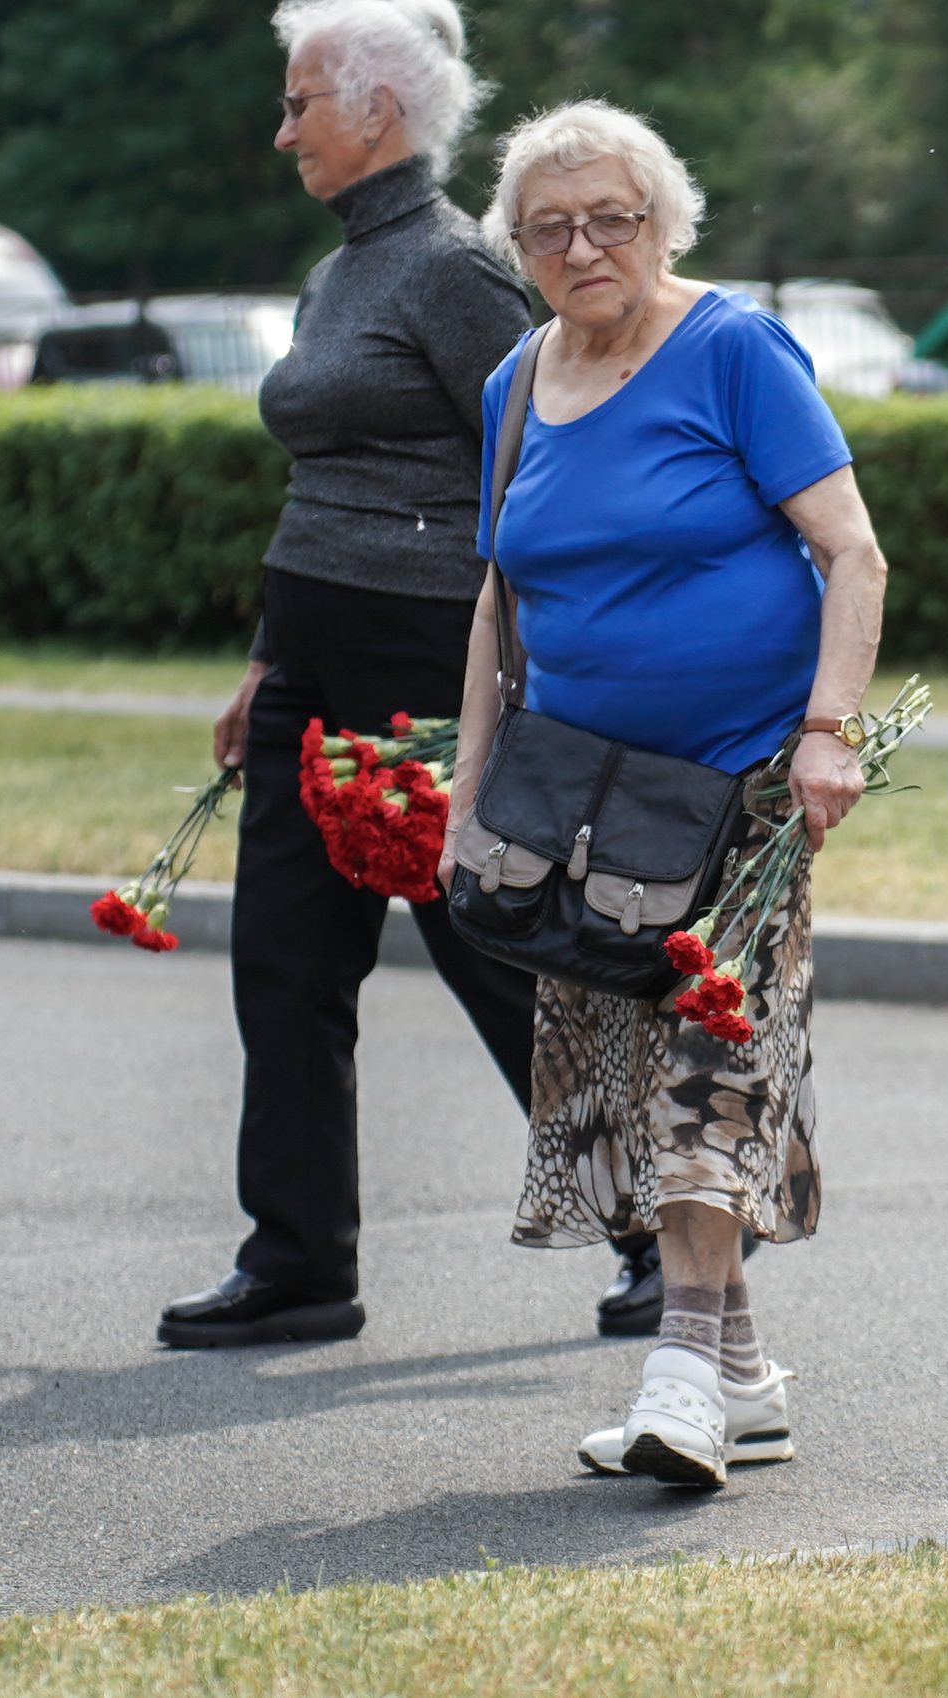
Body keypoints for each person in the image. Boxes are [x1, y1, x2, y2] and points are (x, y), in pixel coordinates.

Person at [160, 0, 666, 1348]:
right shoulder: (340, 275)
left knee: (496, 949)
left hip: (426, 661)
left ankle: (659, 1232)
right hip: (311, 659)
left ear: (376, 109)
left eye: (298, 104)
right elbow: (320, 481)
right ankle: (299, 1262)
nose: (282, 133)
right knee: (283, 963)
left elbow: (545, 465)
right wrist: (267, 662)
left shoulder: (456, 271)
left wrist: (535, 673)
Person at [442, 99, 888, 1486]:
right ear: (517, 247)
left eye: (610, 219)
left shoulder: (732, 349)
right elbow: (499, 601)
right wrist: (467, 786)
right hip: (581, 802)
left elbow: (854, 554)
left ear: (662, 223)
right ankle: (742, 1376)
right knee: (642, 1075)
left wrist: (828, 731)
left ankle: (682, 1376)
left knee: (709, 1061)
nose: (583, 247)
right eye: (550, 227)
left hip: (740, 790)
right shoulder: (516, 380)